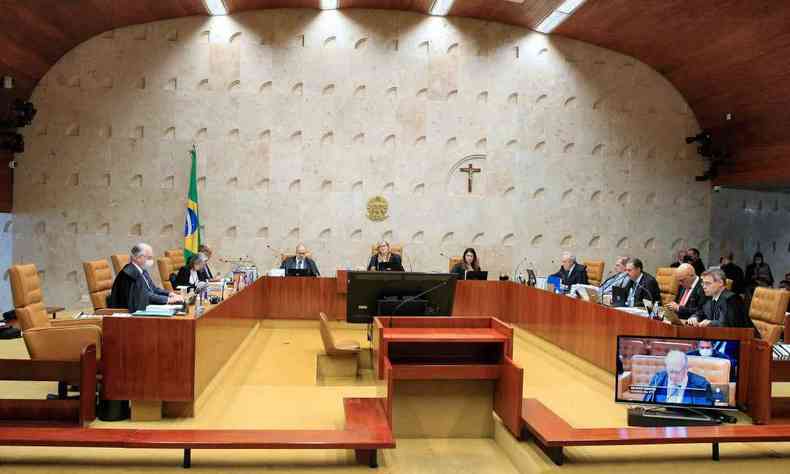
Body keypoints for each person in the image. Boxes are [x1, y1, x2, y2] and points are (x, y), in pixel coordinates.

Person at [107, 242, 184, 312]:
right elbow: (144, 296)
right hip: (126, 314)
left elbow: (153, 289)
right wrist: (168, 300)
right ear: (137, 258)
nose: (151, 261)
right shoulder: (130, 274)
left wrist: (170, 294)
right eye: (149, 258)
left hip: (144, 308)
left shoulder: (142, 271)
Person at [642, 350, 714, 406]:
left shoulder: (702, 384)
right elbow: (646, 403)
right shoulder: (657, 379)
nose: (673, 376)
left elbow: (706, 411)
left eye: (677, 372)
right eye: (671, 371)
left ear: (686, 369)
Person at [686, 269, 751, 328]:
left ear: (720, 283)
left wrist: (710, 323)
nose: (704, 287)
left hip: (740, 338)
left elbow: (727, 323)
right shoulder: (710, 298)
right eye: (703, 283)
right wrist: (694, 318)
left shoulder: (732, 299)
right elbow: (700, 313)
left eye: (707, 283)